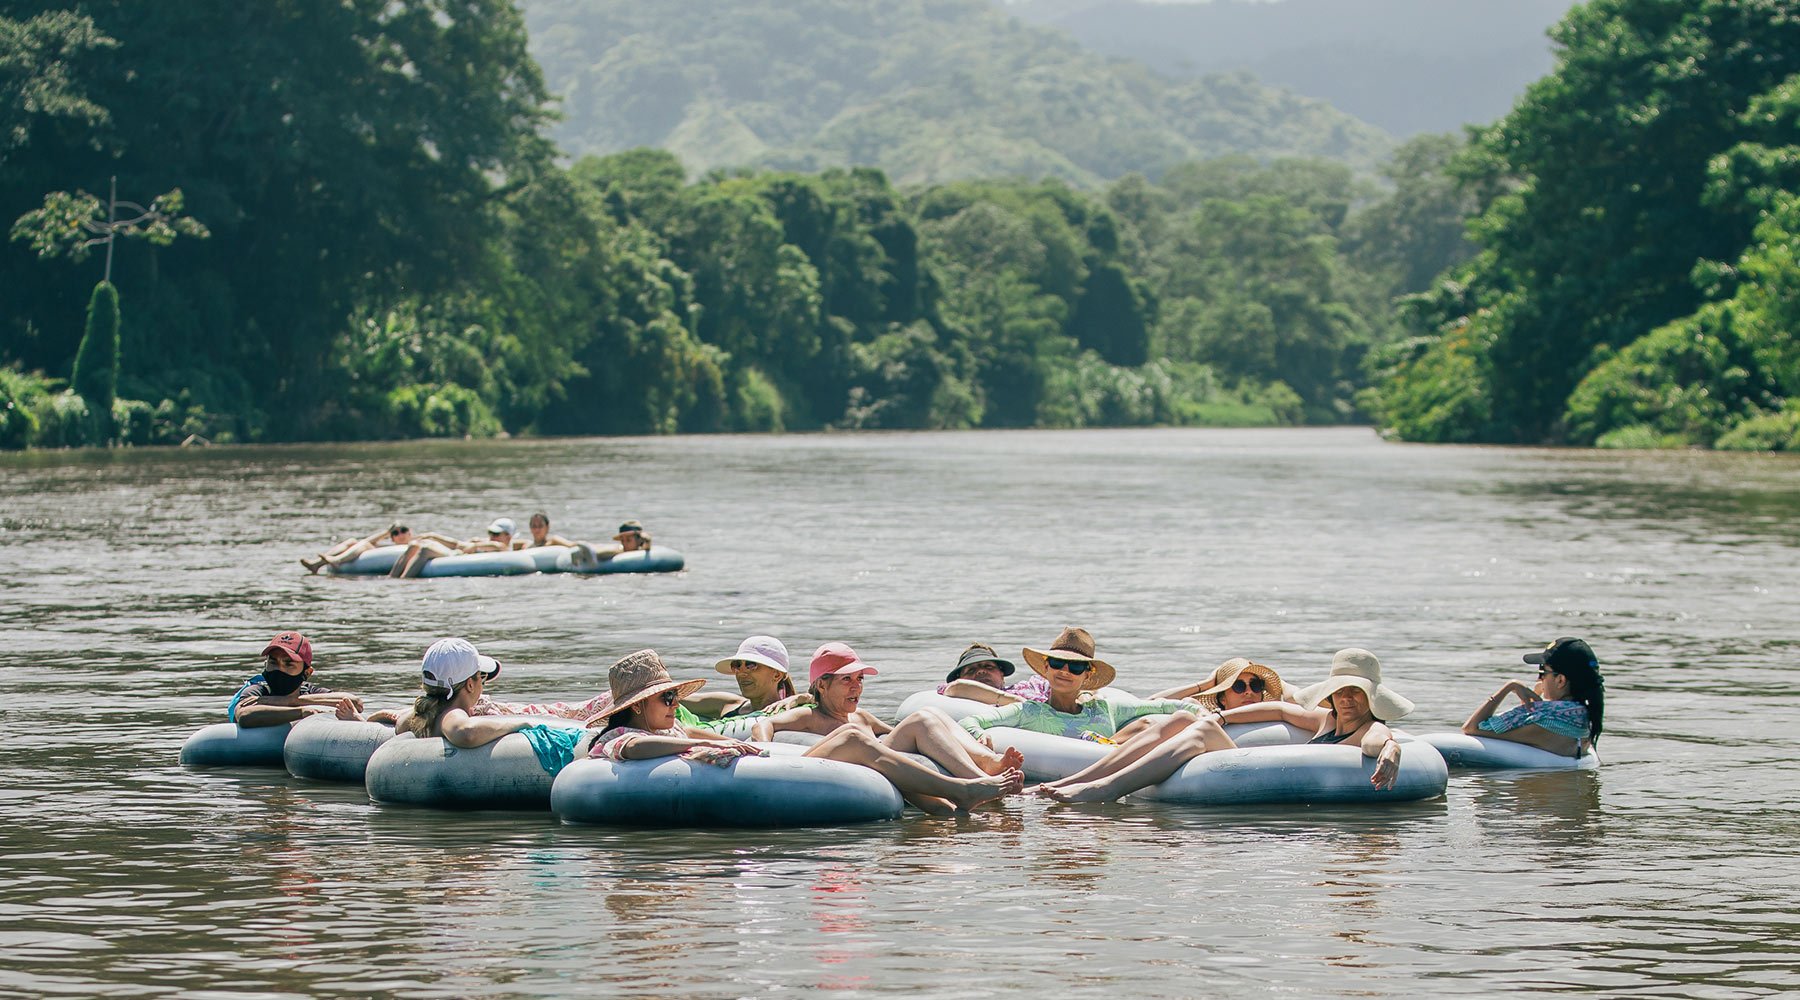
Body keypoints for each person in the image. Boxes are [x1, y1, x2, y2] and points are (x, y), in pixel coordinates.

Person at [1035, 648, 1411, 803]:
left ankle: (1104, 790)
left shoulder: (1368, 728)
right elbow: (1280, 711)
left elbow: (1380, 739)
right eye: (1341, 690)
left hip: (1285, 786)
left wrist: (1391, 750)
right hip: (1265, 775)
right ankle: (1075, 782)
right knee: (1186, 719)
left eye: (1357, 693)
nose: (1348, 699)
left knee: (1196, 732)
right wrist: (1221, 715)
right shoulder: (1325, 719)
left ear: (1371, 699)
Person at [752, 642, 1024, 815]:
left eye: (859, 679)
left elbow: (907, 733)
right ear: (821, 685)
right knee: (857, 737)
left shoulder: (862, 717)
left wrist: (974, 742)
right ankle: (967, 788)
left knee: (926, 716)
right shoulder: (809, 715)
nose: (856, 686)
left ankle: (983, 769)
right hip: (822, 775)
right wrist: (764, 753)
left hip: (874, 772)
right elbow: (766, 723)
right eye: (846, 679)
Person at [957, 627, 1194, 742]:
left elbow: (1162, 706)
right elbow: (970, 721)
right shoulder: (1028, 710)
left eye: (1076, 667)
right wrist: (979, 736)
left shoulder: (1105, 709)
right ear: (1046, 669)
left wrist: (1201, 711)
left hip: (1105, 782)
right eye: (1058, 663)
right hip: (1052, 793)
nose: (1065, 671)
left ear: (1087, 677)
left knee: (1147, 723)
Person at [587, 649, 768, 767]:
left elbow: (688, 731)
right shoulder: (620, 735)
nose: (676, 704)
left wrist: (738, 744)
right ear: (637, 706)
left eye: (674, 695)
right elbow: (634, 747)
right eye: (666, 697)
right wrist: (704, 744)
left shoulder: (669, 731)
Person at [1461, 636, 1605, 757]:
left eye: (1543, 672)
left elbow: (1472, 728)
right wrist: (1538, 696)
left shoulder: (1544, 722)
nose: (1539, 679)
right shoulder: (1584, 718)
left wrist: (1510, 686)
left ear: (1560, 680)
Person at [396, 637, 539, 748]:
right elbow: (466, 733)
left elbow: (401, 723)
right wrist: (517, 725)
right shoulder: (451, 714)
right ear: (470, 684)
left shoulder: (421, 715)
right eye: (481, 677)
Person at [1110, 657, 1291, 742]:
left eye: (1256, 686)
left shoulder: (1275, 719)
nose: (1248, 692)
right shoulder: (1203, 716)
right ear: (1222, 698)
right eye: (1239, 686)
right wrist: (1205, 685)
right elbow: (1151, 702)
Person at [229, 630, 380, 726]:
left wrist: (291, 701)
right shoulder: (258, 690)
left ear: (307, 673)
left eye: (289, 664)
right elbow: (244, 715)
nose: (279, 669)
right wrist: (301, 712)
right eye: (273, 662)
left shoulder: (309, 692)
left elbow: (355, 703)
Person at [682, 635, 810, 720]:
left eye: (751, 665)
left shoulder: (793, 711)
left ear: (777, 675)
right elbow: (672, 698)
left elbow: (826, 703)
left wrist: (802, 698)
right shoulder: (727, 704)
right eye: (737, 665)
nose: (741, 673)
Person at [389, 516, 518, 578]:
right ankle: (392, 578)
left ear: (508, 536)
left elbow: (490, 545)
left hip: (457, 557)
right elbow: (456, 544)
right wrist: (433, 536)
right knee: (415, 545)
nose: (492, 536)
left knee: (425, 550)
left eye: (496, 533)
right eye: (491, 533)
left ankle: (404, 581)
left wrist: (474, 544)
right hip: (456, 553)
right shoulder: (484, 541)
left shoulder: (502, 547)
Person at [937, 643, 1052, 706]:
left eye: (988, 666)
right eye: (971, 670)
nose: (981, 671)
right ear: (961, 678)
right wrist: (1015, 701)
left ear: (1001, 674)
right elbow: (956, 687)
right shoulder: (955, 695)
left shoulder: (1030, 686)